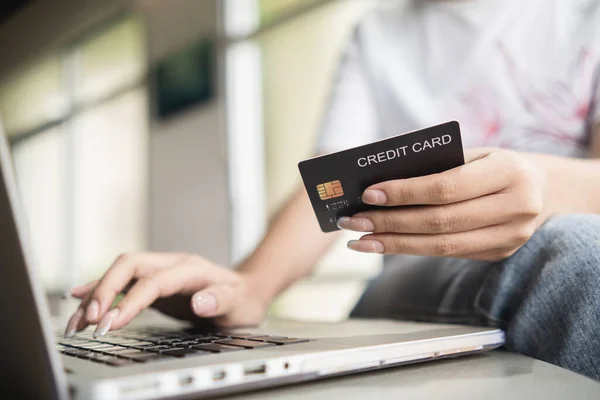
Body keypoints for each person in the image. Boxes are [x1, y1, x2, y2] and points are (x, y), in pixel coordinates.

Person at [65, 0, 600, 380]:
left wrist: (543, 182)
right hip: (415, 277)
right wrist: (251, 285)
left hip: (564, 251)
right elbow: (331, 181)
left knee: (579, 249)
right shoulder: (380, 32)